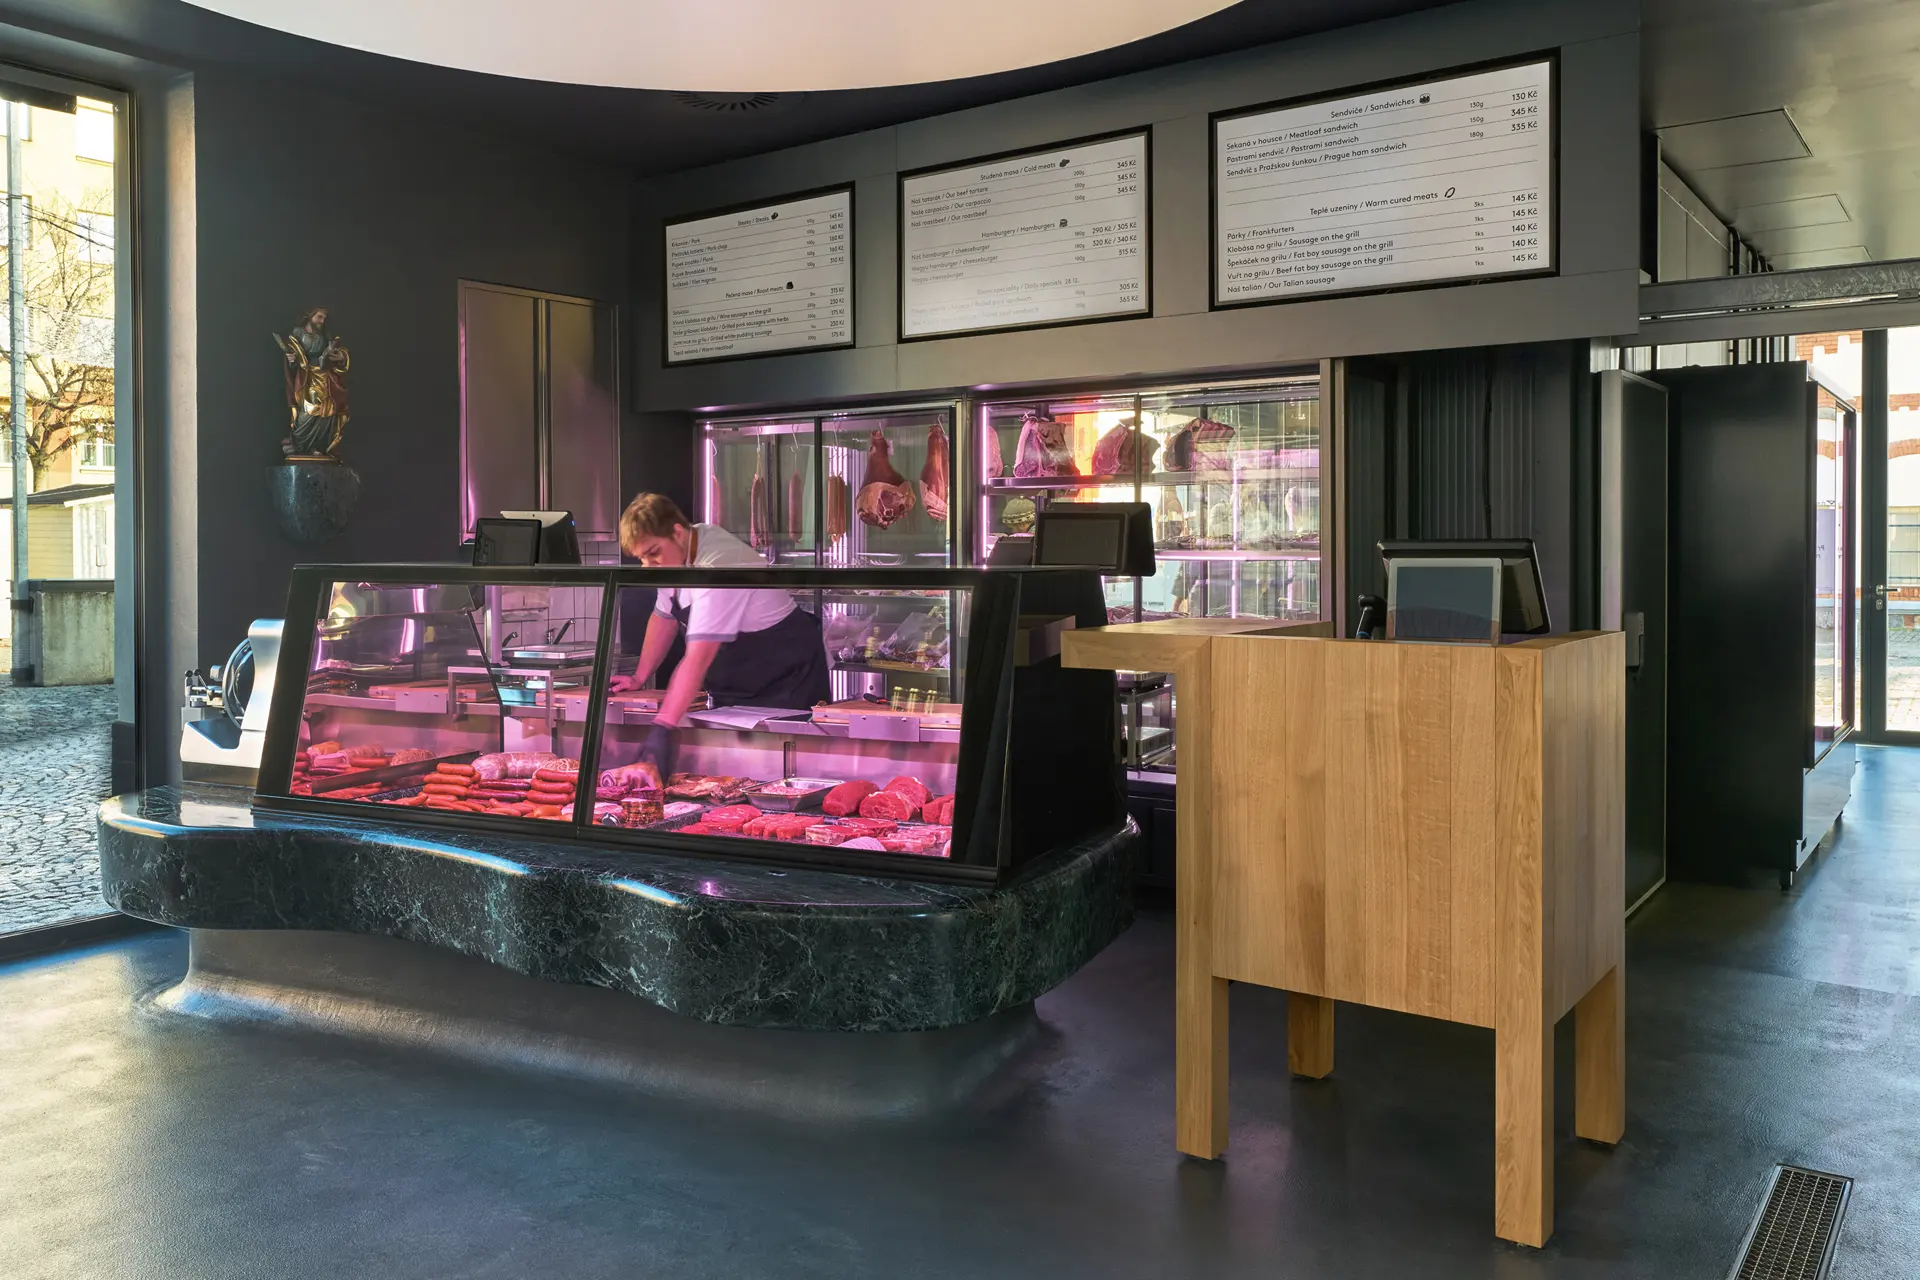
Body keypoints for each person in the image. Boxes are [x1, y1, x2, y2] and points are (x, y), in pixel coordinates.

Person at [610, 493, 831, 778]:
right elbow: (664, 616)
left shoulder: (718, 566)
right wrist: (639, 677)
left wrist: (663, 727)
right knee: (735, 782)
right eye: (642, 559)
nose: (648, 566)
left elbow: (697, 660)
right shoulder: (677, 557)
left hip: (788, 683)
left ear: (677, 532)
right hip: (740, 683)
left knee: (778, 779)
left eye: (653, 553)